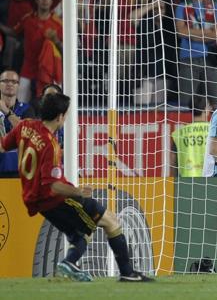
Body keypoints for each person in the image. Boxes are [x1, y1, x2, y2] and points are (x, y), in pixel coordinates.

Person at [0, 93, 153, 282]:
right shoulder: (50, 144)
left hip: (36, 201)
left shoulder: (25, 126)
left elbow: (3, 145)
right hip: (55, 198)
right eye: (66, 115)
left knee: (80, 232)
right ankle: (122, 272)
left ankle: (74, 264)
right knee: (109, 221)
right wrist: (79, 191)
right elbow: (54, 185)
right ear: (60, 117)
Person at [0, 70, 36, 177]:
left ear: (18, 85)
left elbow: (29, 132)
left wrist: (6, 111)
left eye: (14, 81)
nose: (10, 84)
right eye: (5, 81)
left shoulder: (27, 109)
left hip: (20, 169)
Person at [172, 97, 209, 177]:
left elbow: (173, 161)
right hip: (211, 180)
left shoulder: (179, 133)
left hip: (187, 181)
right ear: (206, 109)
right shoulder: (214, 131)